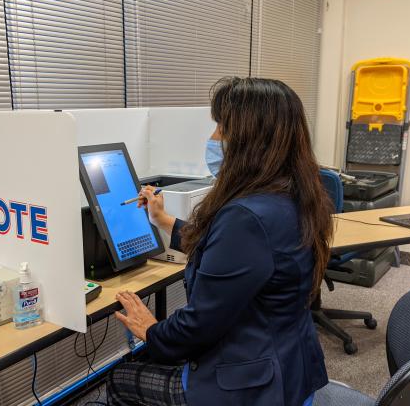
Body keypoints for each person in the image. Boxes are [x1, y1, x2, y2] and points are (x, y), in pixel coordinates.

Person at [107, 77, 333, 406]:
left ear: (248, 140)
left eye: (221, 128)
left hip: (252, 388)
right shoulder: (293, 195)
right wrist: (164, 220)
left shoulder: (247, 217)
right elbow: (237, 256)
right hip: (291, 369)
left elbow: (198, 326)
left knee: (121, 377)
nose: (213, 139)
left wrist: (152, 330)